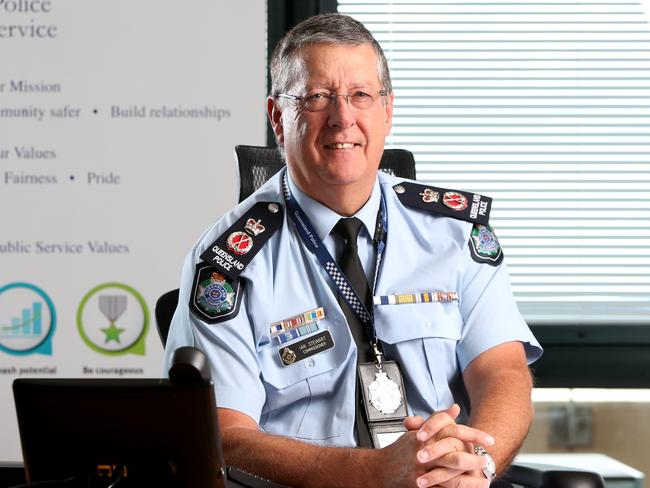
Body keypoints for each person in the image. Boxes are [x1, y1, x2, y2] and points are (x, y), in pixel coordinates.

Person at [163, 13, 542, 488]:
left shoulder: (455, 236)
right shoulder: (226, 262)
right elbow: (227, 434)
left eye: (361, 95)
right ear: (278, 118)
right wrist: (373, 474)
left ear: (388, 111)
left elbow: (502, 372)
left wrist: (477, 464)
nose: (343, 118)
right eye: (318, 97)